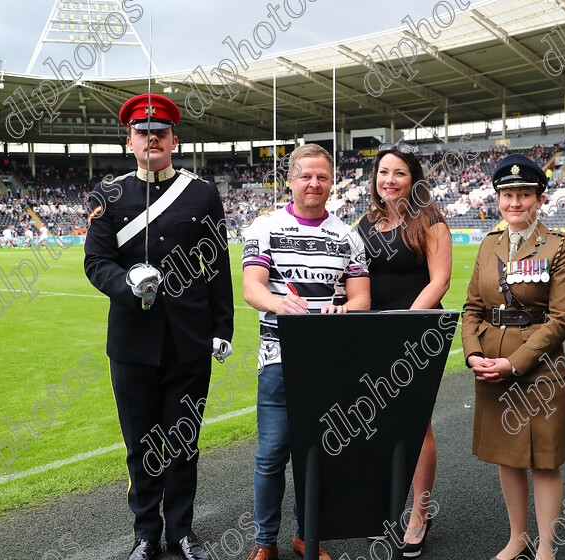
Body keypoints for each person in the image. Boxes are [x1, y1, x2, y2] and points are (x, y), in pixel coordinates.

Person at [84, 93, 234, 560]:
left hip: (189, 341)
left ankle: (182, 532)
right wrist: (127, 283)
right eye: (144, 133)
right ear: (130, 140)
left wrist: (222, 328)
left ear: (175, 138)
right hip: (132, 344)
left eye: (161, 133)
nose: (153, 139)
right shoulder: (108, 195)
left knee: (184, 442)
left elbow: (217, 266)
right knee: (141, 445)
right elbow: (96, 262)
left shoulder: (202, 193)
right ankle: (146, 534)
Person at [241, 144, 370, 560]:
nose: (314, 183)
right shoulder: (264, 226)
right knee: (271, 456)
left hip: (330, 361)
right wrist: (279, 304)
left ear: (332, 182)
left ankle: (305, 535)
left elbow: (362, 299)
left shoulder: (349, 235)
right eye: (305, 176)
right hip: (279, 359)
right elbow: (252, 287)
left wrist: (344, 309)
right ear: (291, 180)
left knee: (318, 458)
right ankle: (265, 544)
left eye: (322, 176)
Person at [462, 153, 565, 560]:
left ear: (539, 198)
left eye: (524, 194)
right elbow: (472, 308)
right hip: (492, 368)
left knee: (544, 460)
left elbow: (563, 319)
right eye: (507, 195)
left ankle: (546, 547)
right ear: (498, 199)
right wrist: (474, 354)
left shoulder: (560, 246)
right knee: (508, 457)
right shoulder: (489, 243)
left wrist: (515, 362)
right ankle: (518, 538)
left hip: (539, 368)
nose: (515, 203)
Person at [356, 143, 451, 557]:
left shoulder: (429, 220)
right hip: (373, 334)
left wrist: (403, 324)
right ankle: (388, 504)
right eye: (382, 173)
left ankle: (420, 513)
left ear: (414, 181)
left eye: (398, 173)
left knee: (416, 425)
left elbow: (440, 281)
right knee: (380, 423)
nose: (388, 180)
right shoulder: (366, 223)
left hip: (417, 334)